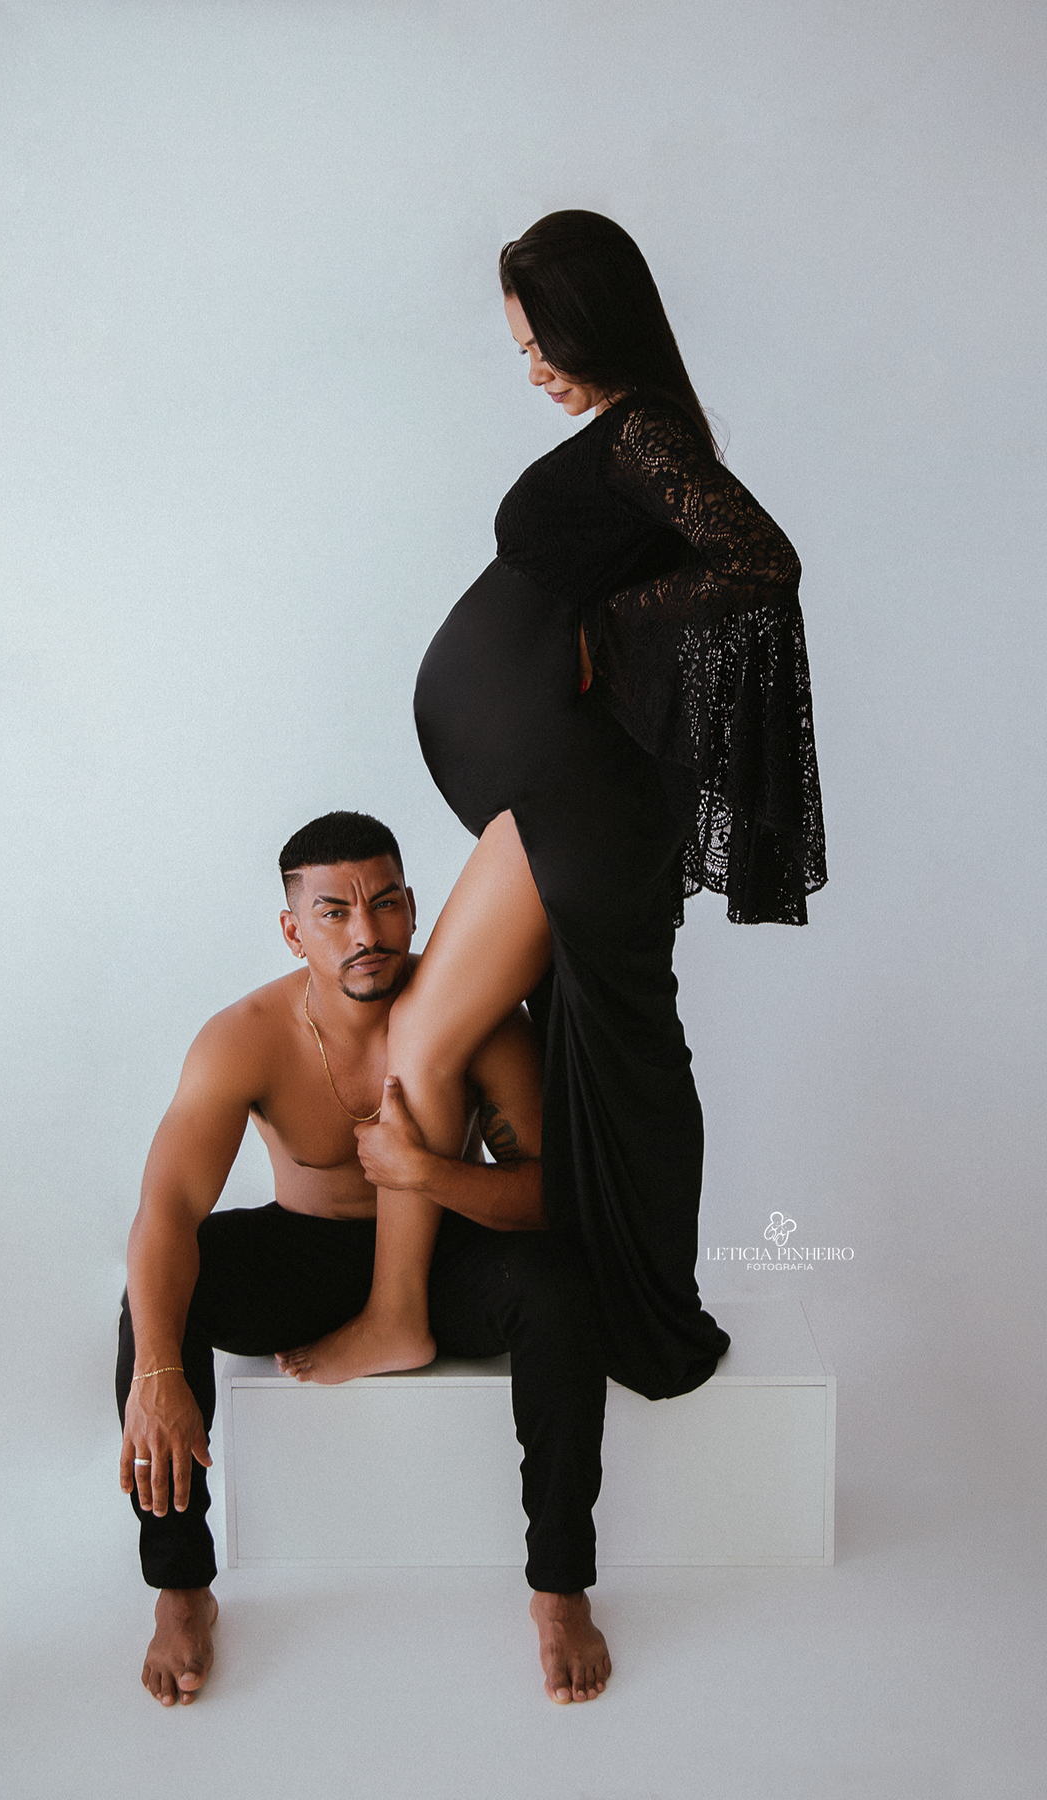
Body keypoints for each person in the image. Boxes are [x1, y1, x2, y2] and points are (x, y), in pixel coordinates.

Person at [288, 210, 826, 1397]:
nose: (532, 370)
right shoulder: (630, 436)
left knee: (527, 1043)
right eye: (521, 348)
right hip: (554, 800)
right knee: (593, 1045)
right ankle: (532, 1297)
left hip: (576, 800)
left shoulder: (645, 432)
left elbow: (759, 559)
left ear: (597, 323)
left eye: (542, 345)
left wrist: (608, 629)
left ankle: (414, 1316)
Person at [117, 811, 612, 1709]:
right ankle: (181, 1586)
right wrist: (157, 1370)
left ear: (415, 907)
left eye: (384, 903)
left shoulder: (472, 1020)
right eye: (334, 912)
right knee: (160, 1294)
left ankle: (560, 1587)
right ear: (292, 930)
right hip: (305, 1256)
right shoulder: (246, 1037)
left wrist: (426, 1172)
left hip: (442, 1258)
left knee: (559, 1287)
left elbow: (550, 1198)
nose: (366, 932)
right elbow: (168, 1209)